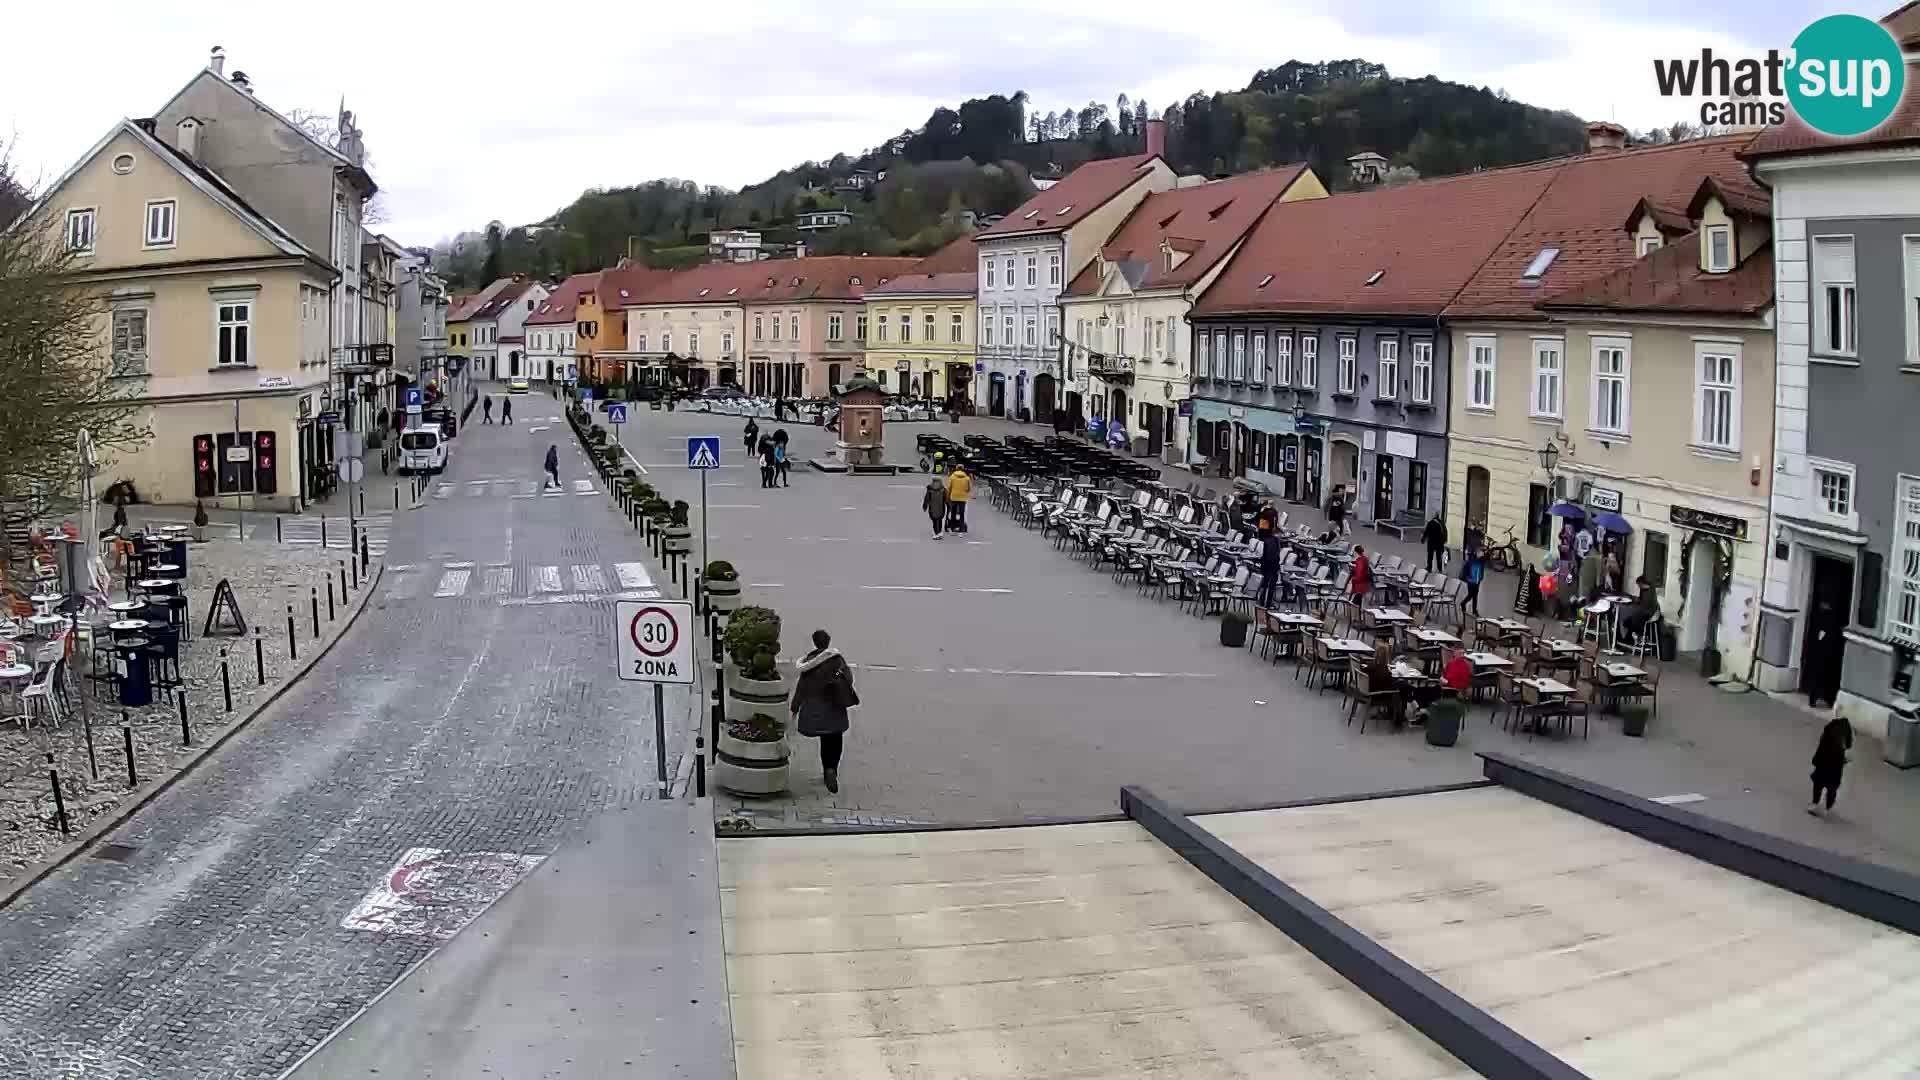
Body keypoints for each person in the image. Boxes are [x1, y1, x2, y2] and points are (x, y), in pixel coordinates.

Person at [792, 629, 856, 794]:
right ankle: (832, 768)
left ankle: (826, 768)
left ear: (815, 643)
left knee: (824, 741)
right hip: (835, 707)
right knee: (835, 740)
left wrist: (795, 707)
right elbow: (848, 678)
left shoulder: (808, 663)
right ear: (828, 642)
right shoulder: (836, 659)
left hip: (816, 710)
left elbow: (801, 688)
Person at [1808, 715, 1853, 816]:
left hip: (1824, 761)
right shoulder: (1845, 732)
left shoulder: (1830, 727)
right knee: (1832, 787)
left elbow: (1821, 745)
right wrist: (1844, 760)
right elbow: (1848, 745)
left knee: (1818, 784)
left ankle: (1815, 803)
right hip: (1835, 765)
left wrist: (1816, 759)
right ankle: (1826, 807)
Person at [1618, 576, 1661, 643]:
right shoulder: (1645, 590)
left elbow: (1646, 606)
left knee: (1629, 621)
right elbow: (1641, 602)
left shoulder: (1650, 591)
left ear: (1641, 583)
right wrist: (1635, 600)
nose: (1638, 587)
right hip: (1644, 612)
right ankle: (1627, 639)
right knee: (1627, 620)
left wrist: (1636, 602)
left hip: (1648, 615)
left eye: (1638, 585)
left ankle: (1628, 640)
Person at [1256, 527, 1281, 608]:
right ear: (1276, 534)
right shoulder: (1275, 541)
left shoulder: (1266, 540)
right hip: (1272, 566)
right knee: (1271, 586)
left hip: (1265, 566)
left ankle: (1261, 601)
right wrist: (1277, 567)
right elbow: (1274, 556)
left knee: (1265, 584)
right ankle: (1268, 603)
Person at [945, 464, 972, 534]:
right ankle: (962, 528)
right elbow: (969, 489)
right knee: (962, 513)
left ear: (956, 469)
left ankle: (952, 527)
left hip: (953, 497)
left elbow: (949, 488)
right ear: (963, 469)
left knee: (953, 513)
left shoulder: (952, 477)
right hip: (963, 498)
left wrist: (947, 497)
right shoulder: (967, 478)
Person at [1463, 546, 1486, 617]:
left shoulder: (1481, 560)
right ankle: (1464, 603)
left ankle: (1474, 610)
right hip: (1471, 580)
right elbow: (1466, 569)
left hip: (1477, 580)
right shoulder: (1470, 561)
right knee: (1471, 594)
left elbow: (1482, 567)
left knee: (1475, 595)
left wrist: (1481, 577)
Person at [922, 474, 948, 538]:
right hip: (941, 506)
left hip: (932, 506)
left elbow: (927, 498)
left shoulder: (930, 489)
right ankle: (939, 532)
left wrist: (925, 506)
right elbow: (946, 499)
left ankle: (935, 532)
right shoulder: (943, 489)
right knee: (940, 519)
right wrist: (949, 506)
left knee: (934, 519)